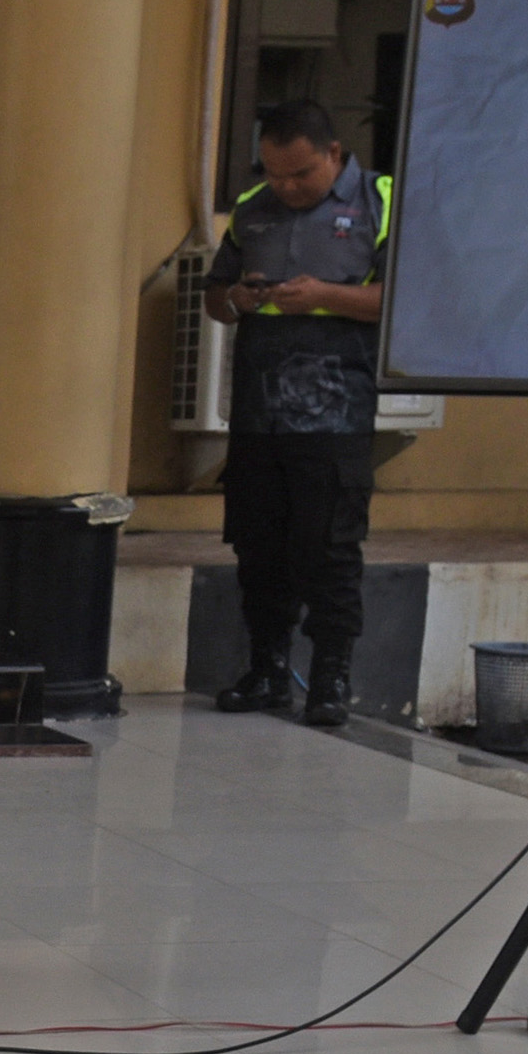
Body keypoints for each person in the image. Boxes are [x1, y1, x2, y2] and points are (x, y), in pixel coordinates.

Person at [207, 101, 391, 728]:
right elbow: (215, 297)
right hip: (260, 416)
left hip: (336, 416)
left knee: (330, 549)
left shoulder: (380, 200)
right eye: (275, 174)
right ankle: (266, 671)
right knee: (258, 548)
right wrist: (237, 298)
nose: (286, 187)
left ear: (334, 154)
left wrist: (322, 296)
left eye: (301, 175)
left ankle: (332, 678)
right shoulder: (252, 210)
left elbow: (404, 302)